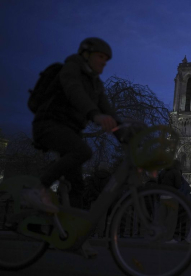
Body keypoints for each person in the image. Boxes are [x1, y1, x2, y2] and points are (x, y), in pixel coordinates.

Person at [25, 37, 117, 259]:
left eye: (106, 60)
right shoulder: (71, 68)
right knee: (83, 152)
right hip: (49, 124)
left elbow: (109, 110)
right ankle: (37, 189)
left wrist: (126, 132)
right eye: (100, 58)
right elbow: (74, 91)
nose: (103, 63)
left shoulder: (96, 84)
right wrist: (93, 114)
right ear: (86, 54)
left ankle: (76, 237)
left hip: (70, 131)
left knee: (78, 186)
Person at [158, 160, 182, 243]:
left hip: (162, 196)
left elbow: (159, 183)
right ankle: (168, 238)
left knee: (162, 218)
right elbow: (178, 185)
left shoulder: (162, 172)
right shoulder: (176, 172)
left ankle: (160, 237)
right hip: (172, 196)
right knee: (171, 219)